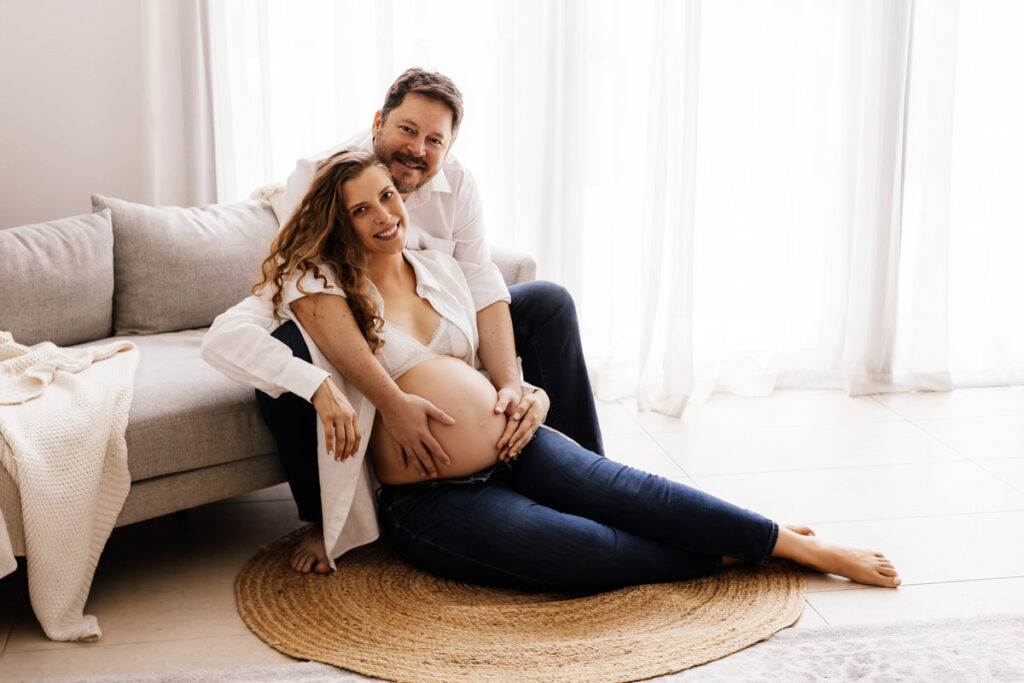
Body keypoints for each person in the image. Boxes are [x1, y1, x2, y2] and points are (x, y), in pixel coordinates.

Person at [248, 147, 901, 592]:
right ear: (341, 223)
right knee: (591, 551)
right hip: (431, 500)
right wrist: (325, 389)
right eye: (362, 209)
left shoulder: (438, 269)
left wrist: (518, 389)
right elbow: (234, 338)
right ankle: (734, 551)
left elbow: (485, 341)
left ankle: (795, 541)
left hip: (515, 445)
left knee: (634, 491)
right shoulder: (322, 288)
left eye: (387, 196)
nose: (384, 215)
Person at [202, 68, 602, 574]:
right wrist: (385, 400)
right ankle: (323, 520)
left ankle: (583, 470)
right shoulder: (320, 174)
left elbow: (481, 278)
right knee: (291, 365)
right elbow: (308, 285)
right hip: (350, 323)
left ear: (450, 146)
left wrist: (510, 384)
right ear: (378, 122)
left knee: (548, 303)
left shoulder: (458, 184)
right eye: (407, 130)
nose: (417, 149)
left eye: (435, 140)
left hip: (435, 312)